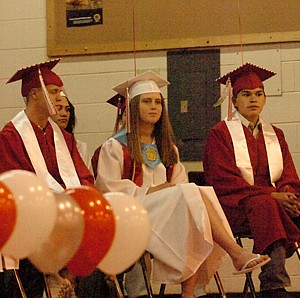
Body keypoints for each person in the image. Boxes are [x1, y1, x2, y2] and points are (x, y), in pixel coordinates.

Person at [93, 70, 270, 298]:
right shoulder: (115, 147)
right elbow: (108, 189)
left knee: (195, 201)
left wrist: (169, 192)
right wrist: (152, 190)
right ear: (133, 106)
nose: (154, 107)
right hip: (132, 213)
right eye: (147, 101)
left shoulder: (168, 148)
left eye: (158, 102)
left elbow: (180, 186)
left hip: (166, 214)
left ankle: (190, 290)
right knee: (192, 198)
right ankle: (233, 255)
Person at [203, 63, 300, 298]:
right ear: (234, 100)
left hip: (274, 201)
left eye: (258, 94)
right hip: (238, 206)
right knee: (266, 205)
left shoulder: (275, 134)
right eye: (246, 95)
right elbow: (224, 182)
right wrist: (272, 196)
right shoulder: (220, 134)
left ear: (264, 99)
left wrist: (286, 194)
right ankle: (273, 285)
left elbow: (289, 176)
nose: (253, 99)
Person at [0, 59, 94, 297]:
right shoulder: (10, 136)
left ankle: (69, 281)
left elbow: (83, 178)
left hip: (65, 212)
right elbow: (16, 182)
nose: (60, 98)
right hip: (31, 215)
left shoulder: (64, 138)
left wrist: (81, 200)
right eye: (53, 92)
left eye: (60, 92)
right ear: (34, 94)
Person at [51, 90, 92, 171]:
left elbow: (88, 180)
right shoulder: (37, 146)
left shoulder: (80, 147)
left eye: (67, 109)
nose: (64, 114)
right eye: (58, 108)